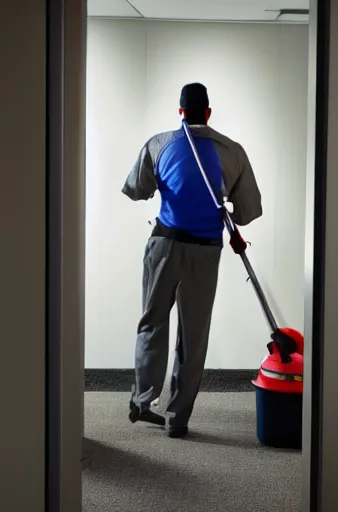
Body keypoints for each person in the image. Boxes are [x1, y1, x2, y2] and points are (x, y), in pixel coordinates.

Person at [121, 83, 262, 438]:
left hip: (165, 244)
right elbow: (248, 211)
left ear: (180, 111)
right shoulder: (233, 151)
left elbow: (137, 189)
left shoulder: (159, 144)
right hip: (206, 250)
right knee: (193, 336)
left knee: (152, 323)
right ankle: (177, 419)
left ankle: (142, 399)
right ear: (208, 113)